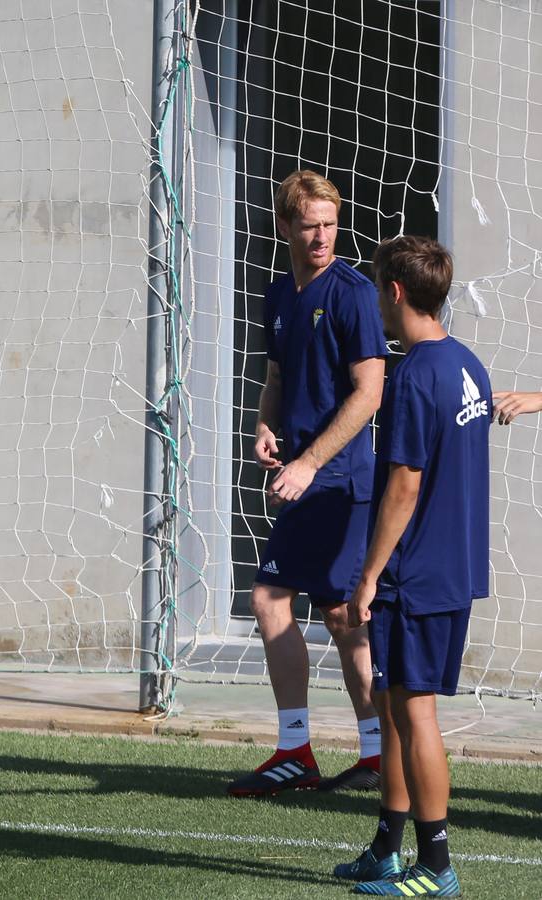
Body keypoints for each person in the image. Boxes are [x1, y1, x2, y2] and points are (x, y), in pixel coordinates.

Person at [334, 236, 489, 897]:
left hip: (415, 574)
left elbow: (403, 483)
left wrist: (367, 576)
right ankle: (385, 848)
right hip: (452, 567)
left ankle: (436, 866)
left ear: (394, 293)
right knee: (394, 701)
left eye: (377, 291)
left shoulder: (414, 375)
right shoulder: (467, 365)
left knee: (414, 710)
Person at [227, 171, 388, 797]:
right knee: (316, 609)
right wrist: (266, 426)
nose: (321, 236)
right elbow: (277, 375)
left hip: (341, 482)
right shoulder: (280, 293)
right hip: (306, 477)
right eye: (309, 224)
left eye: (330, 223)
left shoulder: (351, 293)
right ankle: (335, 751)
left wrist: (310, 463)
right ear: (285, 226)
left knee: (323, 610)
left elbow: (369, 393)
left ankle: (332, 750)